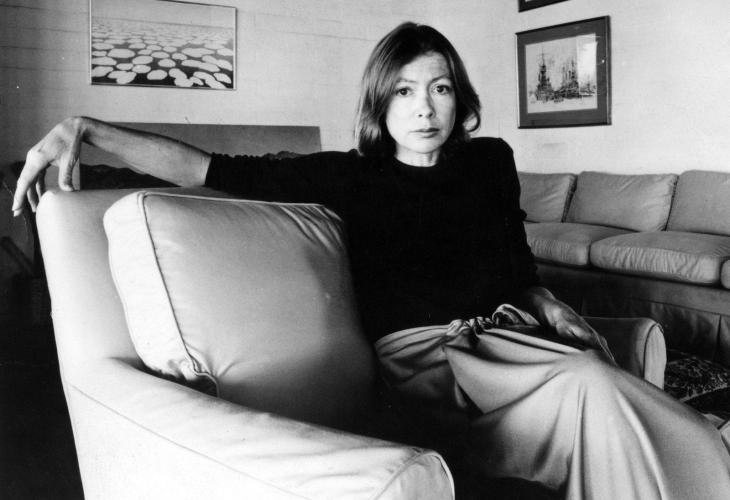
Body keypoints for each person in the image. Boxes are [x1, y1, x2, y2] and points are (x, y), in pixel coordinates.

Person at [12, 22, 730, 500]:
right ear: (380, 103)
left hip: (515, 338)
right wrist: (89, 128)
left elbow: (516, 263)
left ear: (459, 97)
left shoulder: (490, 161)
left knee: (598, 378)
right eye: (405, 91)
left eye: (440, 88)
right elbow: (208, 169)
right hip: (429, 361)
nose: (425, 108)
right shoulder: (349, 175)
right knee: (590, 385)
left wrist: (549, 304)